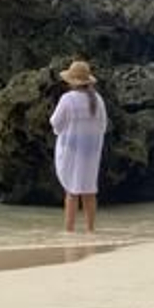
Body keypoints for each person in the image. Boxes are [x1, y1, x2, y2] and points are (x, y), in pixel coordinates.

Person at [50, 59, 108, 234]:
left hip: (71, 151)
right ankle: (91, 229)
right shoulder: (97, 100)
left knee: (72, 191)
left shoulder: (68, 99)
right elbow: (103, 126)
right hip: (91, 151)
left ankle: (69, 230)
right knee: (89, 191)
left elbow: (55, 123)